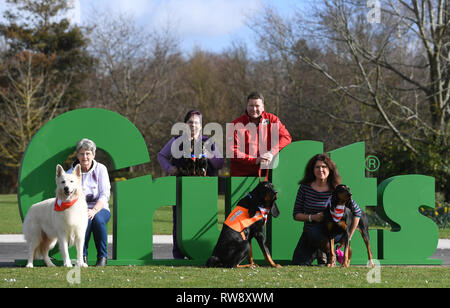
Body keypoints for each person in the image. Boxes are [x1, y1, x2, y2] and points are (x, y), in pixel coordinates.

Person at [157, 110, 224, 259]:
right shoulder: (176, 141)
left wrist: (209, 154)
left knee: (202, 219)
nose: (193, 125)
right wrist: (170, 168)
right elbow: (161, 156)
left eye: (196, 122)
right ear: (185, 124)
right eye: (190, 122)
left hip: (203, 191)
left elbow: (220, 163)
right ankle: (178, 253)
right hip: (182, 189)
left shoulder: (209, 142)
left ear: (201, 125)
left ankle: (200, 251)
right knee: (178, 220)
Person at [291, 153, 362, 266]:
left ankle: (329, 255)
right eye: (317, 167)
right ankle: (323, 253)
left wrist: (348, 237)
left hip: (334, 232)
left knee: (321, 236)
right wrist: (313, 217)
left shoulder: (337, 189)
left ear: (330, 169)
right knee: (298, 263)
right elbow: (296, 214)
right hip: (311, 232)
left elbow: (357, 212)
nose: (321, 170)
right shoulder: (304, 188)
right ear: (312, 170)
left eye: (324, 167)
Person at [68, 138, 111, 266]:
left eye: (88, 153)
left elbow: (105, 194)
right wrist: (83, 211)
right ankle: (82, 257)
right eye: (81, 153)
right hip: (79, 209)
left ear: (93, 154)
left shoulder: (101, 169)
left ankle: (102, 257)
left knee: (97, 219)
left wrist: (94, 210)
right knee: (84, 219)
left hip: (100, 208)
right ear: (77, 155)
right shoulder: (71, 172)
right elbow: (68, 195)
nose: (85, 157)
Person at [228, 92, 292, 177]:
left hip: (268, 174)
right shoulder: (236, 124)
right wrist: (255, 160)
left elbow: (286, 138)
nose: (254, 109)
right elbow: (232, 151)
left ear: (263, 107)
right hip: (242, 175)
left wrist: (271, 153)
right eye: (251, 106)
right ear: (247, 106)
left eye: (257, 106)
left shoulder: (272, 119)